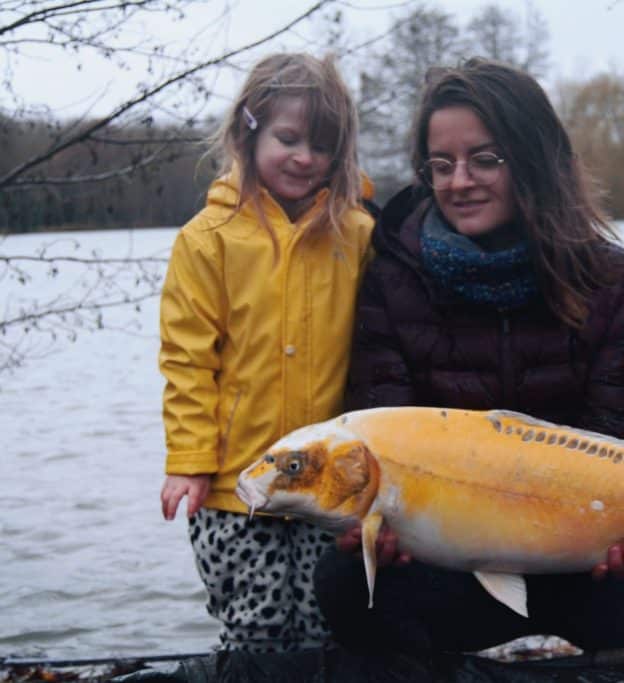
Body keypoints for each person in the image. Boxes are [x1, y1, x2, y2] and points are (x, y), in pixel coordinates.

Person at [313, 58, 624, 655]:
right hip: (447, 566)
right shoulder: (393, 280)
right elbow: (384, 425)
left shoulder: (610, 281)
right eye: (442, 164)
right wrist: (379, 529)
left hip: (580, 562)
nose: (460, 181)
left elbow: (618, 442)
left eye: (485, 159)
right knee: (343, 583)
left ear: (534, 161)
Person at [158, 52, 375, 653]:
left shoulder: (357, 234)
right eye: (288, 138)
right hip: (234, 488)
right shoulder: (206, 241)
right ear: (247, 133)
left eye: (323, 145)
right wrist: (190, 459)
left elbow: (381, 349)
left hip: (327, 489)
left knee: (325, 627)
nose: (305, 157)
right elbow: (187, 362)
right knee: (254, 629)